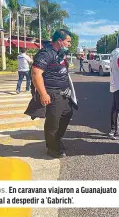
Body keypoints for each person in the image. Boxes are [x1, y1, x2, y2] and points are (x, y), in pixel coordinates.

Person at [31, 29, 73, 158]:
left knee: (67, 114)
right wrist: (43, 94)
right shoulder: (46, 53)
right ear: (60, 41)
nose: (70, 44)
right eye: (68, 41)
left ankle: (57, 139)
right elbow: (36, 73)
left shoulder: (59, 53)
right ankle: (52, 148)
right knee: (53, 122)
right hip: (52, 92)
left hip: (63, 93)